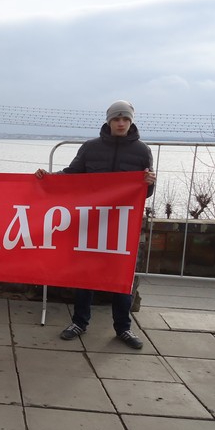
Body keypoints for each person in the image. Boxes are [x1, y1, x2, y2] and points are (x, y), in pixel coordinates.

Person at [35, 100, 156, 349]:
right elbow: (71, 175)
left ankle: (123, 328)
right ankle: (79, 322)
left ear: (131, 121)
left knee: (122, 276)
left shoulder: (142, 150)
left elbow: (145, 192)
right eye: (116, 119)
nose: (121, 123)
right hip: (91, 221)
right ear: (109, 121)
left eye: (125, 119)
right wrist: (48, 178)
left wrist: (150, 182)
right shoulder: (90, 148)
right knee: (85, 273)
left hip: (122, 224)